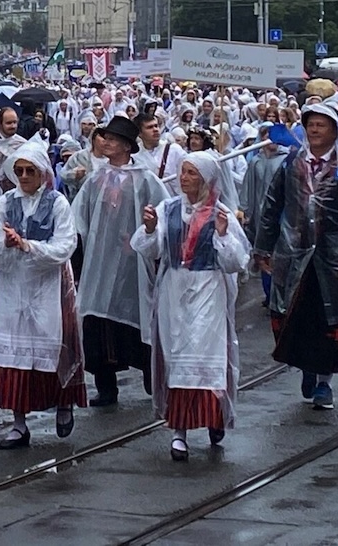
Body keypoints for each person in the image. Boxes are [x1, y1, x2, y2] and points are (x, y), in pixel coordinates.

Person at [255, 99, 338, 411]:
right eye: (310, 124)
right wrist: (263, 247)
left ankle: (324, 382)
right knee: (295, 315)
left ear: (335, 131)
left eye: (322, 124)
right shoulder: (291, 163)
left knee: (328, 320)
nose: (315, 130)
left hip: (334, 258)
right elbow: (271, 206)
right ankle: (306, 366)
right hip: (293, 253)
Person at [132, 153, 246, 462]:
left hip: (208, 290)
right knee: (176, 355)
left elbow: (236, 261)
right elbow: (149, 248)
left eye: (191, 173)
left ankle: (213, 416)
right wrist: (150, 228)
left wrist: (223, 234)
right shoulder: (168, 209)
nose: (183, 178)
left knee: (206, 356)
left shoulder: (221, 213)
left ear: (206, 179)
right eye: (183, 172)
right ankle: (178, 430)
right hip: (175, 290)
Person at [0, 140, 83, 449]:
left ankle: (63, 402)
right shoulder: (2, 204)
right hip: (14, 285)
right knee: (15, 353)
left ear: (42, 173)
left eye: (30, 171)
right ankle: (19, 423)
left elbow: (66, 245)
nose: (24, 176)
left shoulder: (57, 203)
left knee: (54, 345)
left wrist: (29, 246)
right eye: (19, 171)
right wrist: (7, 246)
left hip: (49, 284)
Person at [72, 116, 168, 407]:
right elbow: (80, 215)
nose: (106, 142)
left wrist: (145, 234)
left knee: (137, 315)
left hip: (132, 263)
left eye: (112, 139)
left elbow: (163, 211)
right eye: (105, 138)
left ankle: (152, 376)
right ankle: (106, 385)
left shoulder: (145, 179)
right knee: (98, 319)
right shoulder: (96, 178)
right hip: (100, 262)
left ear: (127, 146)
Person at [238, 125, 286, 307]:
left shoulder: (286, 159)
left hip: (281, 215)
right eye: (266, 135)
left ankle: (281, 293)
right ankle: (269, 293)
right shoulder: (255, 162)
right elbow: (248, 187)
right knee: (264, 252)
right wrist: (245, 210)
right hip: (260, 215)